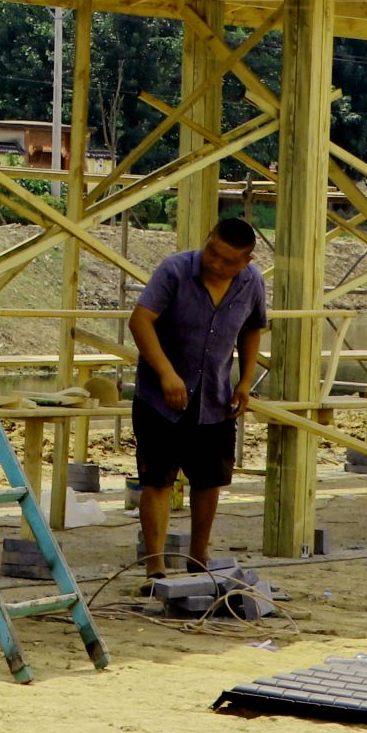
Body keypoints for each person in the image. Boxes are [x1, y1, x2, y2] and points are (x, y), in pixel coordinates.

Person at [126, 215, 269, 576]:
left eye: (227, 260)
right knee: (157, 480)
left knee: (208, 480)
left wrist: (245, 381)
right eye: (212, 252)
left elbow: (253, 328)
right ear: (207, 239)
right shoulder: (174, 271)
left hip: (215, 399)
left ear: (246, 261)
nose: (216, 264)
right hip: (160, 399)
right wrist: (166, 373)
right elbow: (140, 320)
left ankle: (198, 557)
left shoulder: (252, 282)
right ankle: (155, 567)